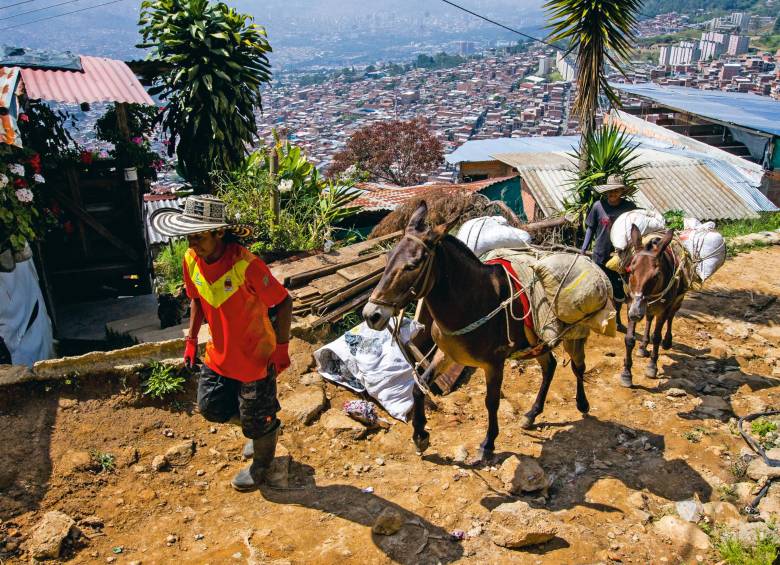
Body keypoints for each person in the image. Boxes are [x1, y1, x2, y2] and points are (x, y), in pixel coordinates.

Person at [150, 195, 293, 492]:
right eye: (189, 237)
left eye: (199, 237)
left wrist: (281, 349)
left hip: (255, 358)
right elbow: (196, 299)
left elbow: (283, 303)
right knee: (211, 407)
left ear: (219, 233)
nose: (192, 244)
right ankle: (262, 428)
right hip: (219, 355)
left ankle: (262, 462)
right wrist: (191, 340)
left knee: (256, 419)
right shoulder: (191, 260)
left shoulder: (246, 265)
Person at [580, 174, 637, 332]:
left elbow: (635, 229)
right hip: (600, 254)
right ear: (606, 191)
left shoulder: (629, 207)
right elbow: (591, 228)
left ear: (621, 191)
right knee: (600, 287)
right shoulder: (598, 206)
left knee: (618, 290)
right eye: (610, 191)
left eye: (616, 191)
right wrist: (583, 249)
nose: (613, 194)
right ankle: (596, 319)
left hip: (621, 257)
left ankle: (616, 320)